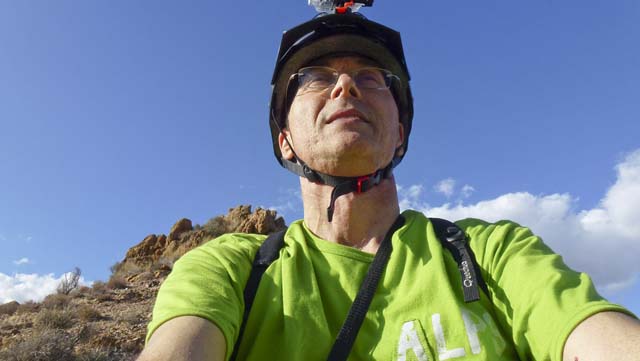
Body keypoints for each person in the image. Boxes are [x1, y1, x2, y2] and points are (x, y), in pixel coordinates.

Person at [137, 5, 640, 361]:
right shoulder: (232, 268)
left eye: (373, 78)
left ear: (399, 134)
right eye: (314, 77)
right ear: (285, 140)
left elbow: (592, 333)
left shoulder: (489, 252)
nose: (346, 85)